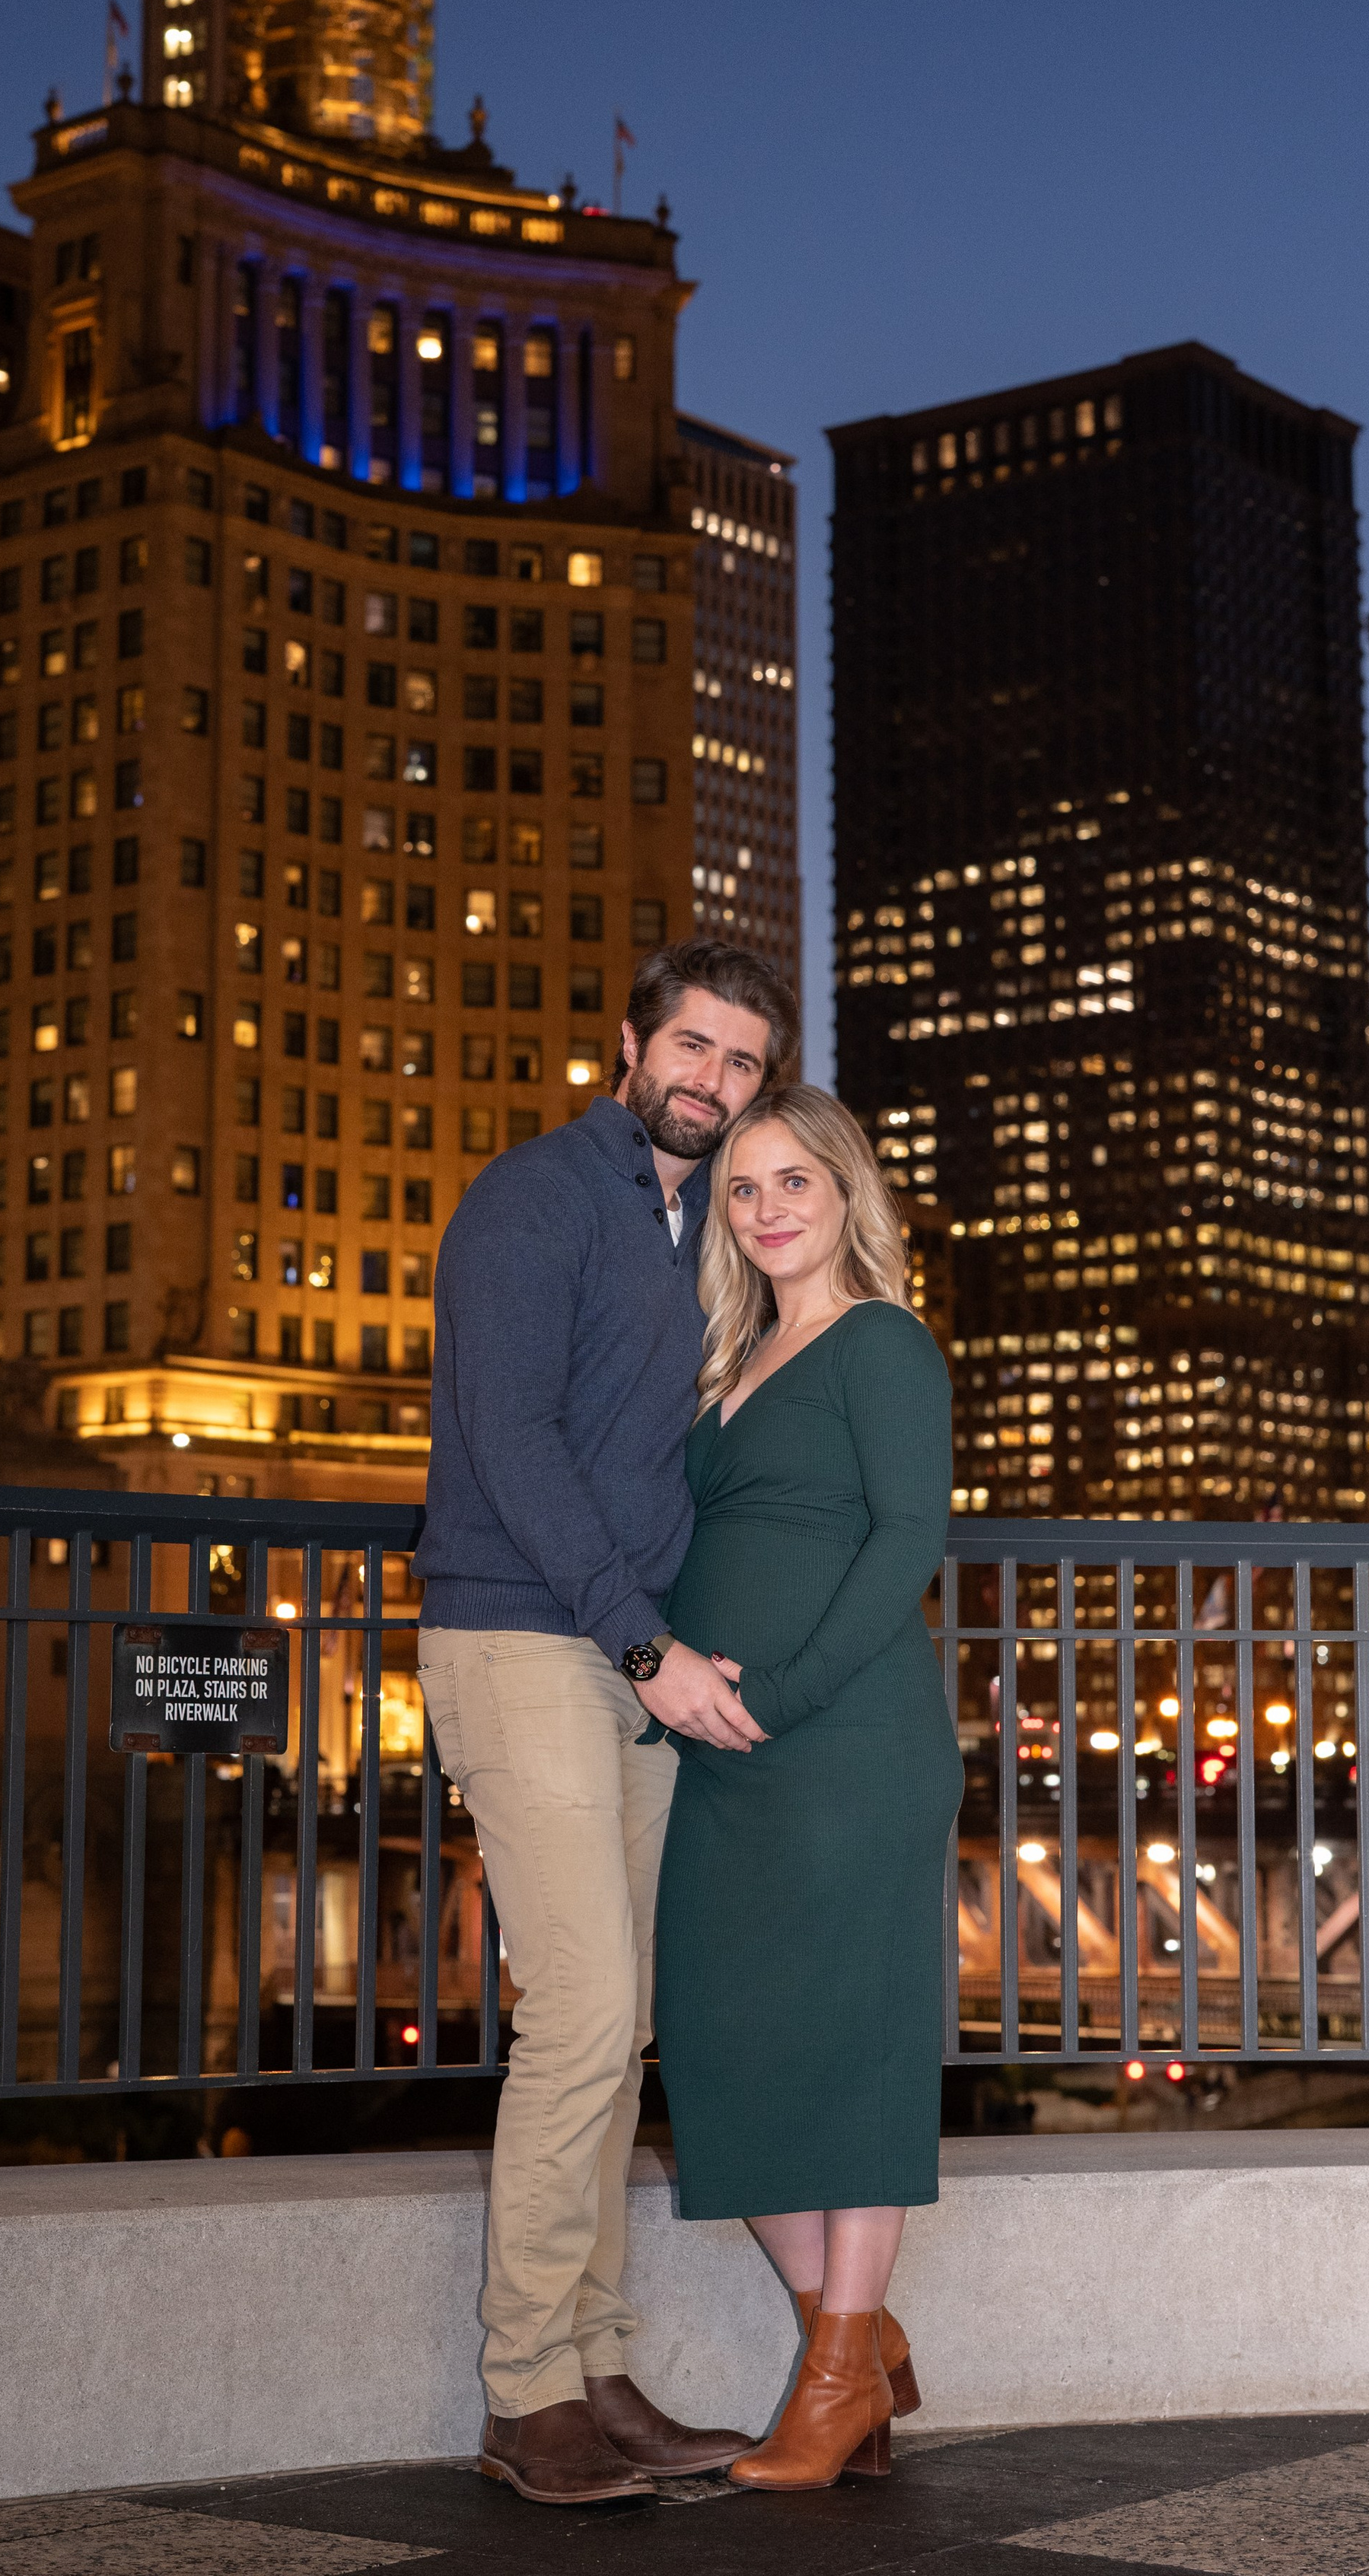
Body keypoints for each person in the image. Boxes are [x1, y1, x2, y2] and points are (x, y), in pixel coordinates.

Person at [415, 939, 801, 2507]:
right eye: (691, 1048)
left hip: (627, 1648)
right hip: (523, 1635)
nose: (708, 1081)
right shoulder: (532, 1201)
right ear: (628, 1043)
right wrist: (641, 1643)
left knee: (618, 2019)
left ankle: (594, 2367)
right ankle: (524, 2395)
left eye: (741, 1065)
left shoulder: (706, 1222)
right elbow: (504, 1437)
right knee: (576, 2015)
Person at [652, 1083, 960, 2493]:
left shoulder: (882, 1344)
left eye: (794, 1183)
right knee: (718, 2052)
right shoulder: (735, 1357)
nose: (768, 1209)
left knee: (852, 2049)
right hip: (724, 1750)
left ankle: (834, 2384)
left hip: (845, 1746)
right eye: (743, 1190)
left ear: (846, 1193)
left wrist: (772, 1696)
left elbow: (908, 1542)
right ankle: (859, 2335)